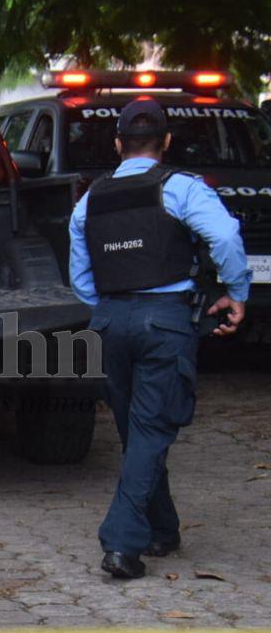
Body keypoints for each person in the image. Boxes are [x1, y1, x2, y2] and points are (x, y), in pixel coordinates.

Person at [69, 98, 251, 579]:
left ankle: (162, 530)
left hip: (108, 323)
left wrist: (113, 305)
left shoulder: (89, 199)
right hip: (164, 322)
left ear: (117, 144)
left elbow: (81, 278)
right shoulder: (182, 189)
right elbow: (227, 239)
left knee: (139, 433)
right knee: (149, 432)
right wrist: (236, 291)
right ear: (166, 142)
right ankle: (121, 543)